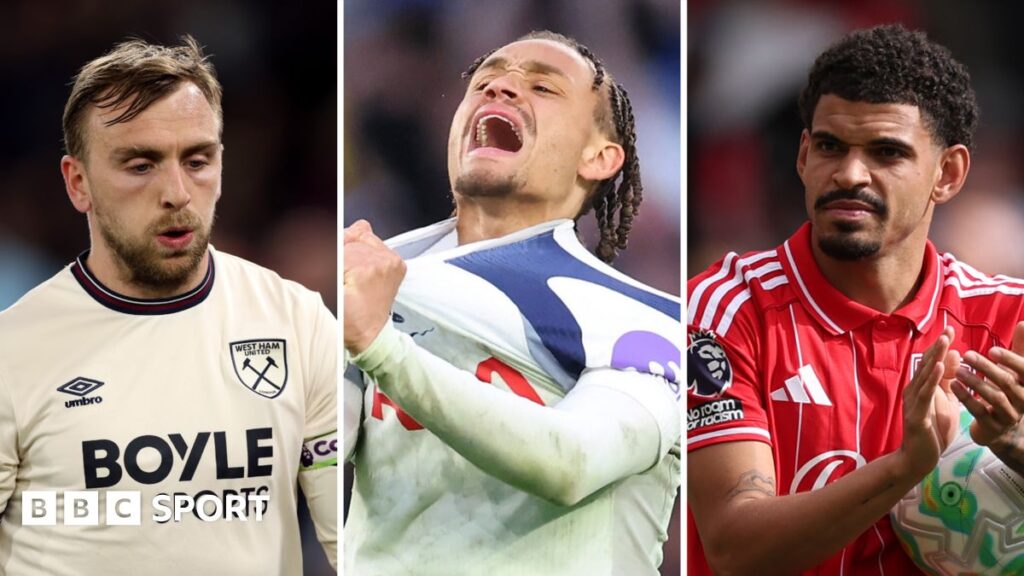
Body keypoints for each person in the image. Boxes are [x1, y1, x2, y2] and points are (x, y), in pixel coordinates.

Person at [688, 23, 1024, 575]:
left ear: (949, 173)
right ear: (802, 156)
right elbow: (733, 548)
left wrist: (1016, 446)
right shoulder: (727, 309)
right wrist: (905, 469)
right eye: (829, 146)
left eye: (886, 152)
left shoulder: (1006, 321)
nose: (848, 174)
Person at [343, 31, 681, 575]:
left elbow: (571, 463)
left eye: (543, 87)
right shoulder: (375, 275)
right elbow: (311, 455)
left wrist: (380, 349)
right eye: (484, 82)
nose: (500, 88)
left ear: (599, 157)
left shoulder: (645, 320)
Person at [0, 37, 337, 574]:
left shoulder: (297, 322)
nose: (178, 192)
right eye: (141, 165)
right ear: (78, 183)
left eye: (197, 160)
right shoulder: (13, 353)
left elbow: (358, 543)